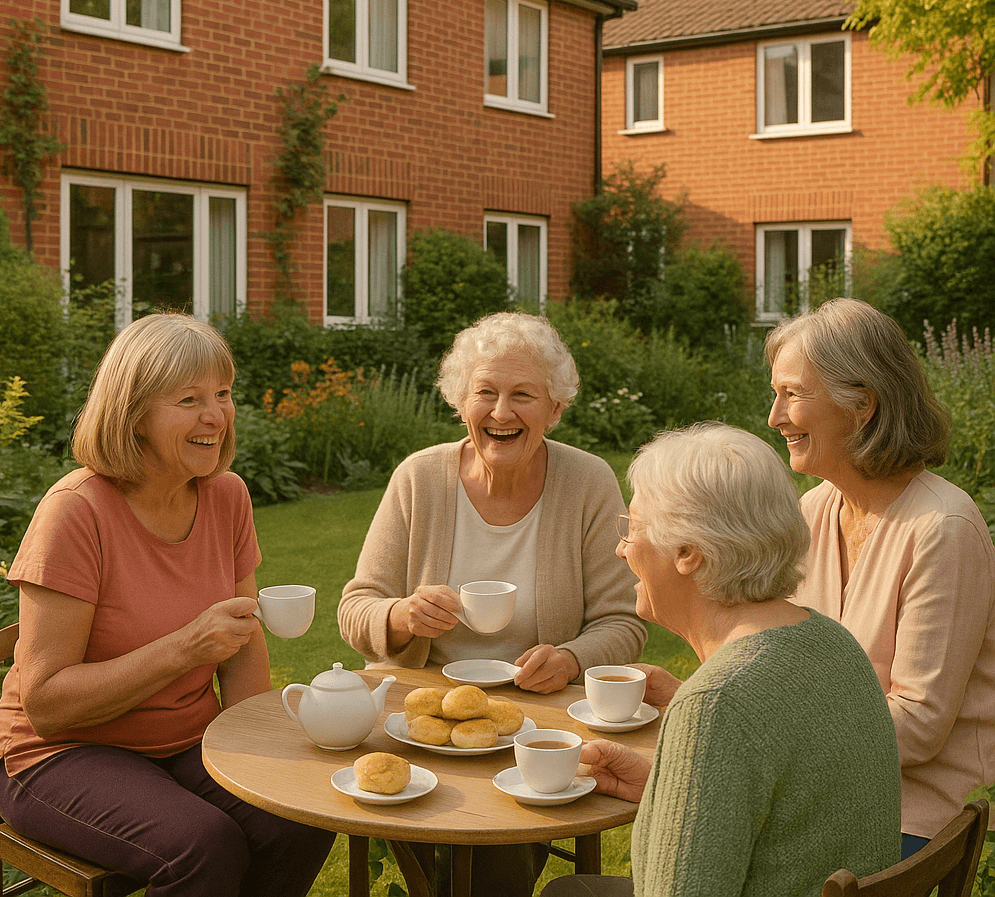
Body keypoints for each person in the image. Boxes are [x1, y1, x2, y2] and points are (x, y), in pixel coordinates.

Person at [0, 313, 335, 897]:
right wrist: (183, 649)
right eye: (189, 399)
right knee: (202, 845)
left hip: (186, 741)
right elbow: (46, 705)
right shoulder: (76, 511)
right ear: (133, 415)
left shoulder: (227, 496)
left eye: (223, 395)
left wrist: (260, 755)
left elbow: (243, 643)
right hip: (56, 753)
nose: (215, 416)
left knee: (298, 811)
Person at [337, 310, 645, 895]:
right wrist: (401, 615)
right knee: (444, 841)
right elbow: (357, 607)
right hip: (422, 719)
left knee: (496, 854)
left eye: (523, 395)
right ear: (461, 402)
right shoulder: (419, 478)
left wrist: (572, 659)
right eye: (485, 393)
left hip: (538, 720)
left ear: (555, 409)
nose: (501, 413)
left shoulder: (588, 482)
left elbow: (623, 622)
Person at [543, 423, 902, 897]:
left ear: (687, 553)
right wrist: (669, 793)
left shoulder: (715, 704)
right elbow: (796, 807)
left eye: (632, 528)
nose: (621, 548)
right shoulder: (832, 642)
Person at [764, 297, 995, 857]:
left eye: (792, 394)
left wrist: (767, 735)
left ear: (862, 404)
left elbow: (917, 726)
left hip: (915, 817)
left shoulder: (942, 528)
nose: (774, 417)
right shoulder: (815, 510)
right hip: (824, 793)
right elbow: (779, 660)